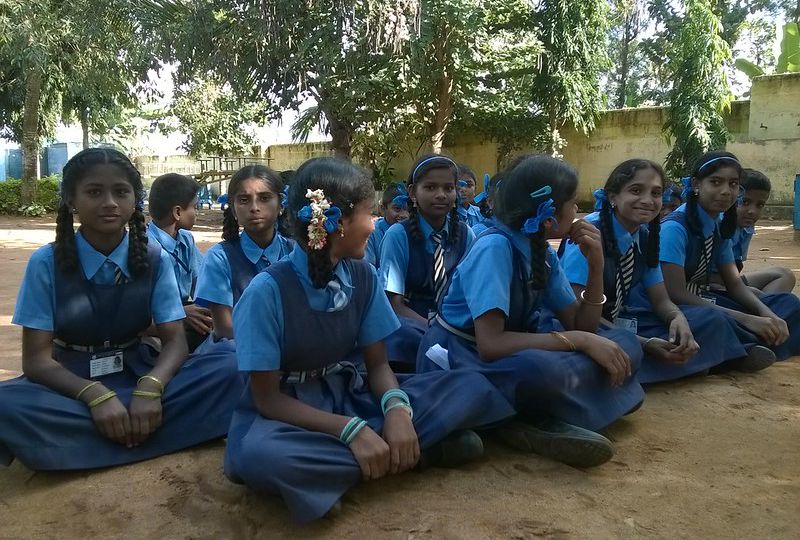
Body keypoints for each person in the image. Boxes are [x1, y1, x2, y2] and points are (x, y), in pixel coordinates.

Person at [223, 157, 514, 522]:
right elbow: (267, 400)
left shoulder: (362, 275)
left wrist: (395, 410)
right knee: (260, 456)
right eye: (367, 213)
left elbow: (378, 365)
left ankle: (349, 465)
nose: (375, 223)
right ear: (339, 223)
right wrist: (349, 430)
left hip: (351, 393)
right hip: (292, 415)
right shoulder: (267, 291)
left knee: (468, 385)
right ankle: (415, 452)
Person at [0, 148, 242, 470]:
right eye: (94, 192)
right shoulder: (46, 263)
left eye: (121, 192)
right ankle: (157, 431)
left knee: (233, 365)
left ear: (135, 200)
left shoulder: (154, 257)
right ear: (72, 200)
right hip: (70, 384)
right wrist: (94, 396)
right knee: (6, 402)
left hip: (140, 371)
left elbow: (174, 342)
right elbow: (36, 361)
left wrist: (152, 387)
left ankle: (80, 443)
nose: (110, 202)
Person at [417, 154, 645, 468]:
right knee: (543, 370)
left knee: (623, 343)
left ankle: (518, 418)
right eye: (572, 204)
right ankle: (528, 421)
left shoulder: (540, 250)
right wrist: (580, 340)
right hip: (464, 355)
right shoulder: (495, 247)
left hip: (511, 351)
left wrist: (596, 266)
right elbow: (490, 344)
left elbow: (581, 325)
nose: (577, 211)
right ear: (549, 215)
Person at [561, 159, 769, 384]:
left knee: (709, 319)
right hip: (592, 326)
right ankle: (699, 360)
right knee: (625, 345)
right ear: (613, 197)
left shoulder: (645, 236)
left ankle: (684, 361)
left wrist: (677, 318)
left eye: (656, 193)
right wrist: (645, 342)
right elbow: (581, 318)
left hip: (623, 318)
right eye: (636, 190)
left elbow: (661, 300)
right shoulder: (588, 236)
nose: (647, 200)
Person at [659, 151, 799, 364]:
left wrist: (766, 313)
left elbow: (734, 283)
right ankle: (747, 347)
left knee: (787, 302)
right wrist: (746, 318)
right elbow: (676, 293)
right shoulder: (674, 228)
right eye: (716, 182)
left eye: (733, 184)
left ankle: (745, 346)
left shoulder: (719, 224)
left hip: (704, 298)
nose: (726, 191)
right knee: (713, 320)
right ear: (697, 184)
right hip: (677, 305)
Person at [379, 155, 475, 370]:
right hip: (414, 325)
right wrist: (434, 329)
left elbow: (471, 293)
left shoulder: (465, 234)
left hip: (454, 326)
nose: (441, 195)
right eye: (430, 187)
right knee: (399, 335)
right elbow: (394, 306)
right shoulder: (398, 236)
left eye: (448, 188)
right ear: (413, 193)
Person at [194, 165, 294, 342]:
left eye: (264, 198)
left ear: (281, 204)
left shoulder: (295, 253)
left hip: (295, 348)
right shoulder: (219, 258)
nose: (254, 207)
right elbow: (225, 328)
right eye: (244, 200)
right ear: (233, 208)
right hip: (236, 350)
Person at [146, 173, 209, 352]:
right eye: (194, 208)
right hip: (154, 322)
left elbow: (202, 284)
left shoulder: (186, 240)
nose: (196, 213)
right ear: (177, 212)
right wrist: (180, 314)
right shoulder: (145, 247)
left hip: (184, 313)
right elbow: (137, 314)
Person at [708, 168, 796, 294]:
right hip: (711, 287)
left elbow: (737, 266)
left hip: (730, 282)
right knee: (756, 294)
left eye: (759, 205)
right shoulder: (719, 226)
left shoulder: (746, 228)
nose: (752, 211)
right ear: (732, 197)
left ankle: (761, 308)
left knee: (785, 275)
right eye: (745, 202)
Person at [363, 183, 410, 268]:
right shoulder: (373, 232)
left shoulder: (413, 230)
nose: (404, 215)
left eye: (408, 209)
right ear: (383, 209)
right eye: (397, 209)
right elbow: (368, 268)